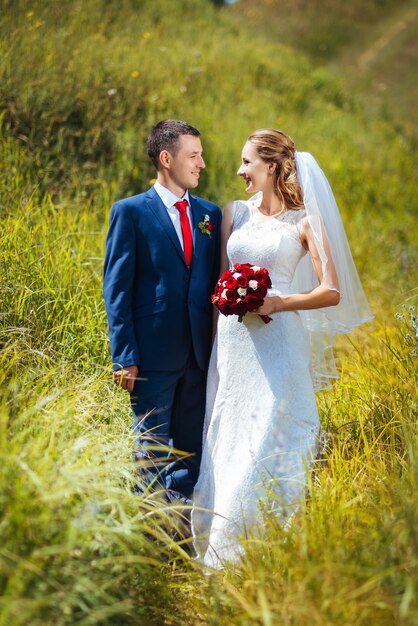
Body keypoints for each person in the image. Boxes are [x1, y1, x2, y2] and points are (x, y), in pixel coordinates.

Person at [191, 129, 373, 568]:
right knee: (229, 429)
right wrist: (214, 346)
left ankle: (259, 545)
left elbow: (331, 291)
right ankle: (219, 542)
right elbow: (220, 286)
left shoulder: (305, 222)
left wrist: (279, 301)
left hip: (280, 338)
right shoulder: (234, 214)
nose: (239, 171)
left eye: (247, 162)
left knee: (271, 430)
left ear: (272, 166)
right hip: (233, 344)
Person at [103, 120, 222, 502]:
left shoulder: (210, 215)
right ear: (166, 158)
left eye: (201, 155)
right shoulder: (131, 212)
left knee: (192, 453)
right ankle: (148, 538)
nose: (202, 163)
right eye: (194, 155)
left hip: (200, 358)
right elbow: (117, 289)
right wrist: (124, 357)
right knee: (150, 454)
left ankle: (181, 533)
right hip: (151, 358)